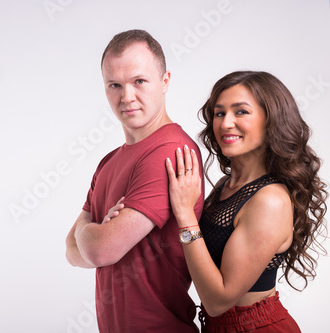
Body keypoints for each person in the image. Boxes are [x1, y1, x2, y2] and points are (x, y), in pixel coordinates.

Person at [107, 70, 328, 331]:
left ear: (271, 121)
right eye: (220, 113)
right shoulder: (226, 186)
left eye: (241, 112)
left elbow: (216, 301)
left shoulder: (270, 200)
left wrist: (186, 215)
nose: (225, 124)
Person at [65, 29, 204, 332]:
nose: (127, 97)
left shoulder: (171, 152)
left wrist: (88, 232)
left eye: (139, 81)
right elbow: (70, 251)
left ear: (165, 81)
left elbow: (100, 251)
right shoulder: (109, 161)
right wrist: (94, 237)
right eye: (115, 85)